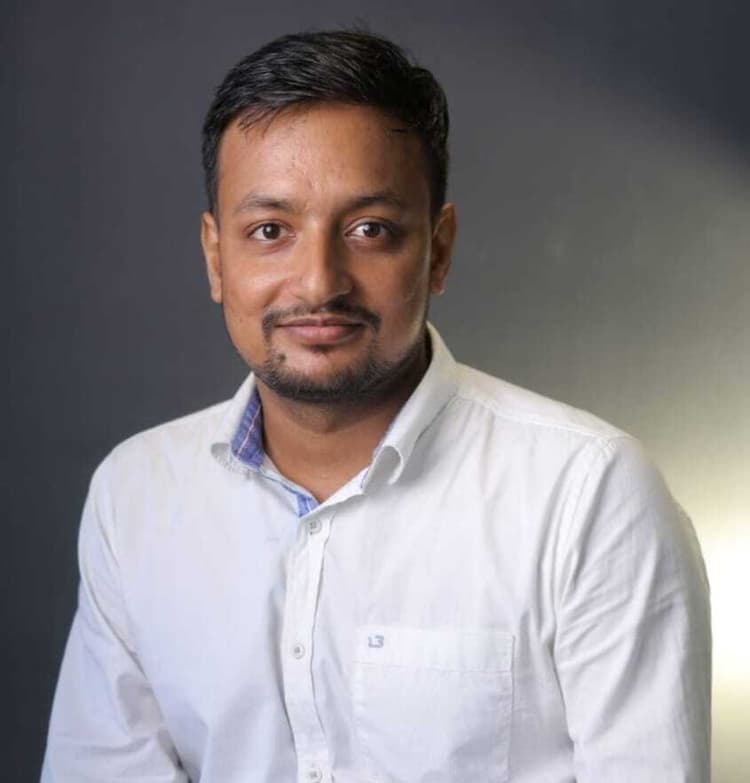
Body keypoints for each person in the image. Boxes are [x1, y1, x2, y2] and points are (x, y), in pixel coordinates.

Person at [42, 29, 711, 783]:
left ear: (439, 249)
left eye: (370, 230)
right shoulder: (134, 495)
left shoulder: (588, 496)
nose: (319, 281)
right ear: (215, 256)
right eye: (270, 231)